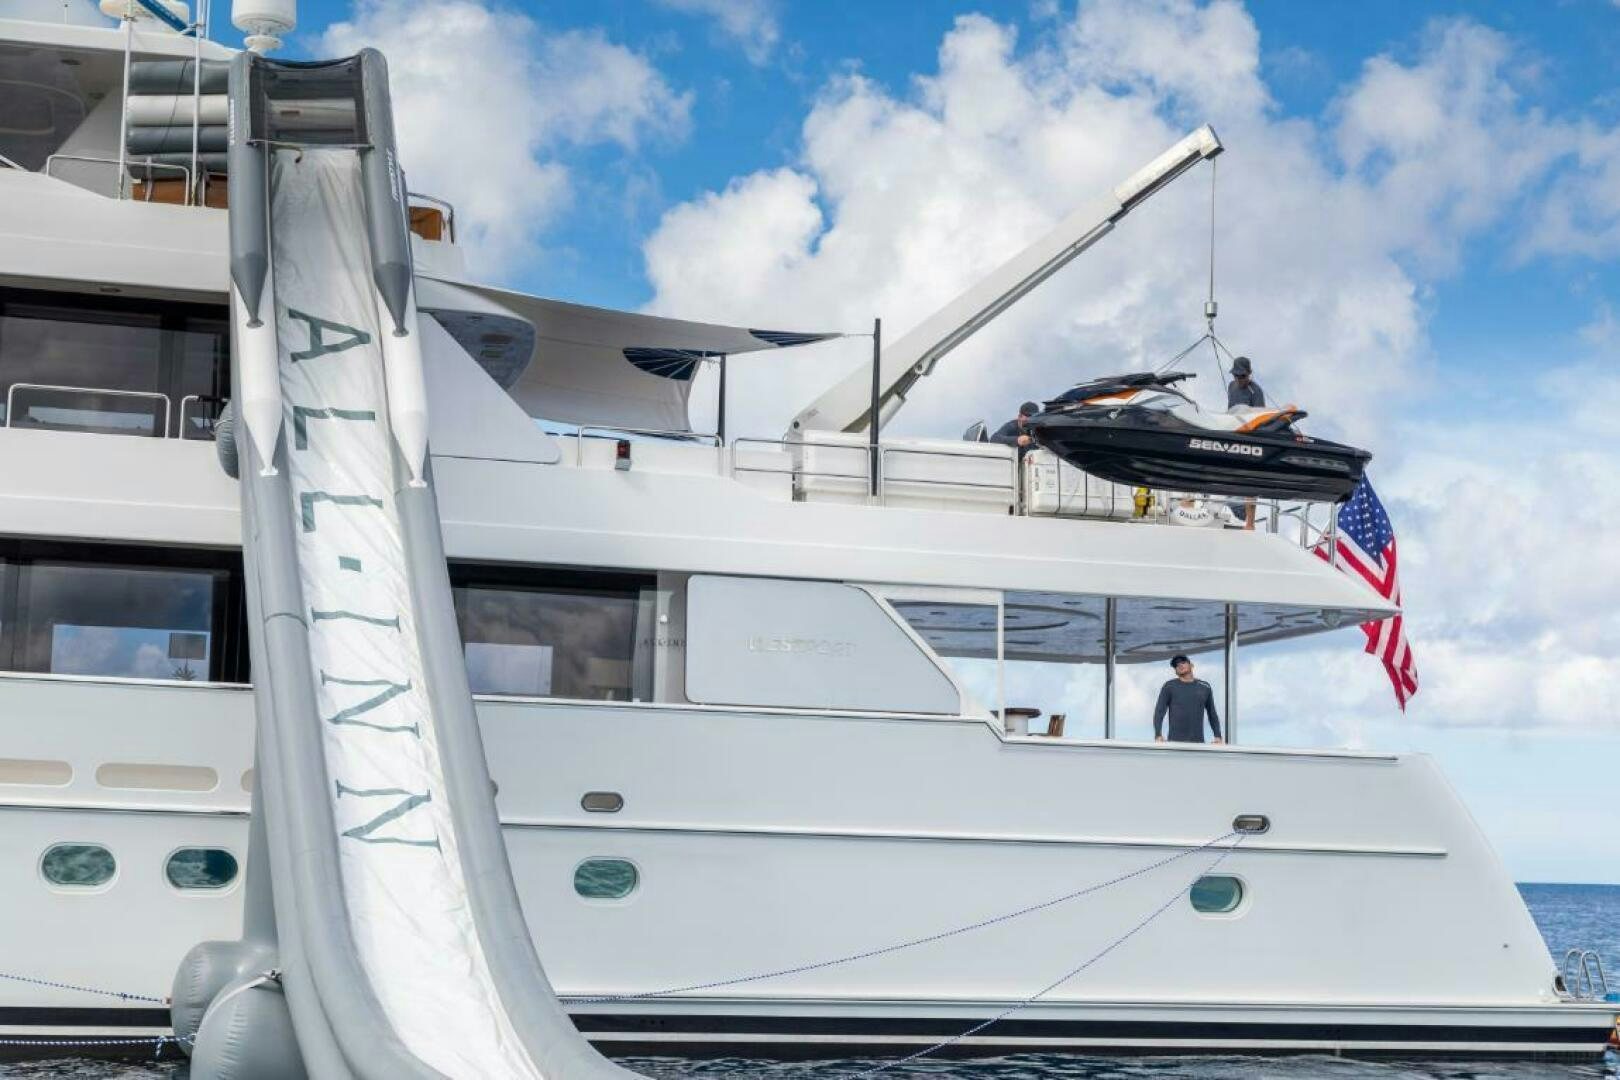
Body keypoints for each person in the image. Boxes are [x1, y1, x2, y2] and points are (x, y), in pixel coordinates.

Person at [1153, 654, 1224, 744]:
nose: (1180, 665)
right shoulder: (1169, 686)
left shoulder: (1205, 687)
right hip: (1174, 744)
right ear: (1175, 671)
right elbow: (1159, 711)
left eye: (1183, 662)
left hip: (1198, 744)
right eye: (1176, 665)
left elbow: (1212, 713)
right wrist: (1158, 735)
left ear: (1191, 665)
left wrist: (1218, 736)